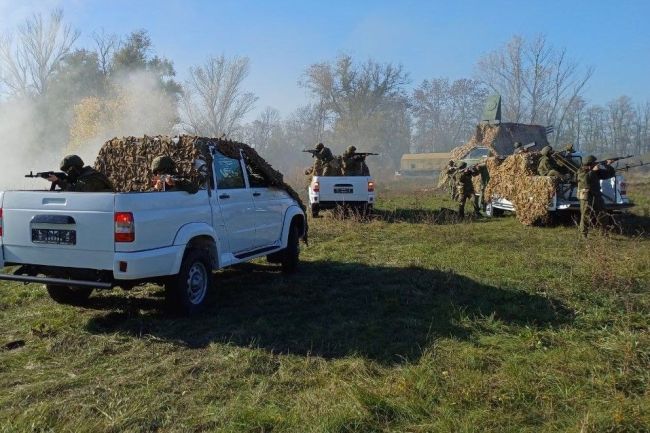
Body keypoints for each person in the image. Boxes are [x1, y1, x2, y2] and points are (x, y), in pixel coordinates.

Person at [577, 155, 615, 238]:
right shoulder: (581, 171)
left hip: (597, 196)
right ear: (589, 164)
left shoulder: (595, 171)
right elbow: (585, 182)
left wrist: (608, 165)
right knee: (586, 216)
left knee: (603, 214)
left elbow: (609, 174)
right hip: (586, 197)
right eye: (594, 163)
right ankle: (584, 235)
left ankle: (604, 234)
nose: (596, 164)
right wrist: (593, 171)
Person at [48, 154, 113, 192]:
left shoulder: (90, 177)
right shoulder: (83, 176)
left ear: (73, 168)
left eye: (68, 170)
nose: (68, 173)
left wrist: (59, 182)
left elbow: (77, 192)